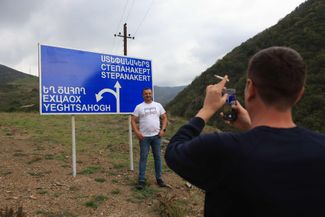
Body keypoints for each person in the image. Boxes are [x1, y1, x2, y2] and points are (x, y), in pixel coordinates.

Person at [165, 47, 325, 217]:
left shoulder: (222, 148)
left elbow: (174, 151)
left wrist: (206, 110)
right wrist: (251, 127)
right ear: (299, 94)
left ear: (250, 89)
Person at [131, 87, 168, 189]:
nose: (148, 95)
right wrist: (137, 132)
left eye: (149, 93)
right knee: (143, 158)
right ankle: (141, 180)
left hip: (156, 136)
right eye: (145, 94)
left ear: (151, 94)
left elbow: (164, 117)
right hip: (144, 138)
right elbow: (133, 120)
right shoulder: (139, 107)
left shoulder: (158, 105)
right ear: (143, 95)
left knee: (157, 158)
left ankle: (159, 179)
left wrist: (163, 130)